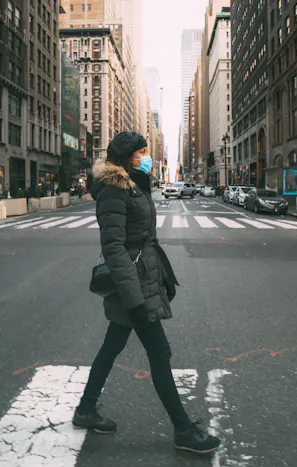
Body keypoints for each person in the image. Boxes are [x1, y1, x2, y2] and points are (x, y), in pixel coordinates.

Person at [73, 132, 221, 454]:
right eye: (141, 151)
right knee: (160, 353)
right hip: (133, 286)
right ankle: (183, 429)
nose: (146, 155)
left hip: (141, 279)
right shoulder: (114, 190)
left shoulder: (133, 184)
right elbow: (114, 248)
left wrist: (163, 276)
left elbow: (143, 239)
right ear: (126, 156)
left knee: (112, 345)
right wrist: (135, 299)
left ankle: (85, 409)